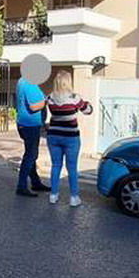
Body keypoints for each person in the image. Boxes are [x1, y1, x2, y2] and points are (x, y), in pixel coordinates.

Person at [44, 70, 93, 206]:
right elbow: (88, 110)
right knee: (72, 167)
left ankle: (53, 195)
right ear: (68, 82)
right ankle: (73, 197)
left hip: (53, 135)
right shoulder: (74, 97)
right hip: (71, 137)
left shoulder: (50, 97)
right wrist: (87, 104)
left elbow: (45, 109)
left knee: (55, 166)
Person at [15, 68, 49, 197]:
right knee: (31, 155)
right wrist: (46, 100)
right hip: (30, 125)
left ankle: (35, 182)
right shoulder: (30, 83)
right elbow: (34, 106)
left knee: (31, 154)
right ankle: (21, 186)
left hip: (24, 124)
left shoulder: (22, 81)